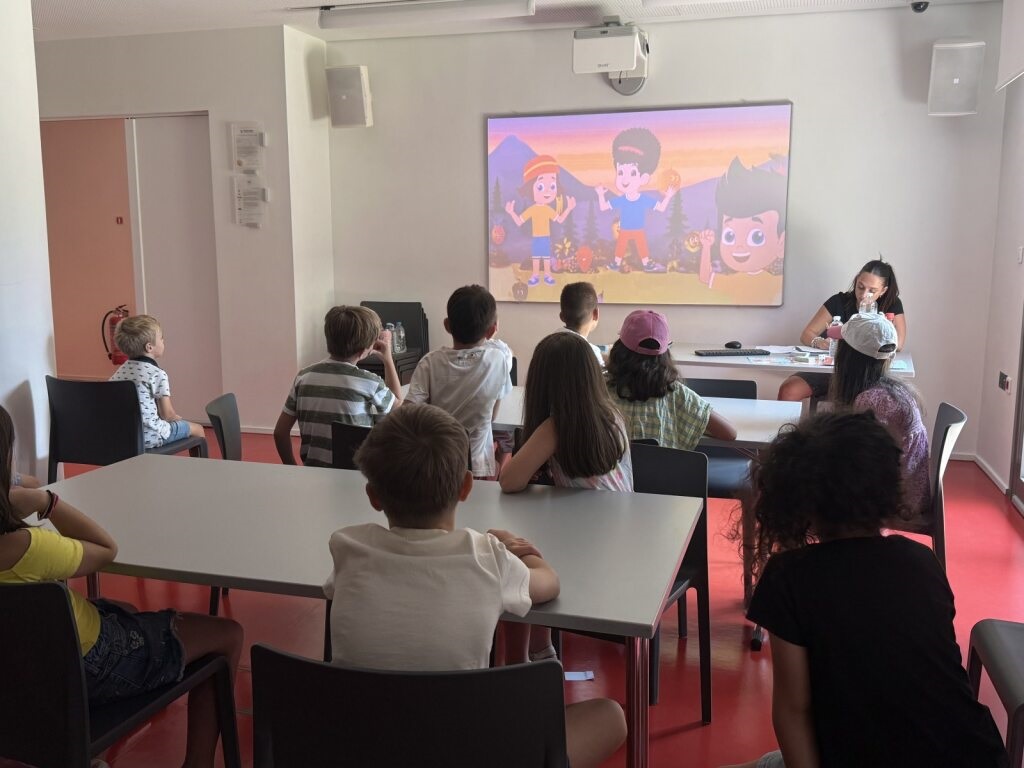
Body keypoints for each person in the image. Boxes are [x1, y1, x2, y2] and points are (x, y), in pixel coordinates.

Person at [323, 404, 627, 768]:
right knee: (610, 716)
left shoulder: (348, 549)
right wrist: (516, 548)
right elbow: (550, 584)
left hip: (359, 748)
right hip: (469, 751)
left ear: (373, 495)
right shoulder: (487, 556)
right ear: (466, 486)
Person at [723, 411, 1007, 768]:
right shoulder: (922, 561)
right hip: (976, 755)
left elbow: (793, 712)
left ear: (801, 497)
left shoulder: (788, 577)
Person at [0, 405, 243, 768]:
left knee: (123, 610)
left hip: (18, 678)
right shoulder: (27, 549)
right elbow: (105, 550)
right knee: (228, 633)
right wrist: (46, 502)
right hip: (84, 669)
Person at [500, 331, 633, 493]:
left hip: (582, 509)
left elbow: (508, 482)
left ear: (540, 382)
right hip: (622, 506)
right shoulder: (612, 414)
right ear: (591, 375)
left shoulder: (555, 428)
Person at [404, 285, 512, 479]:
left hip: (436, 464)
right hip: (476, 467)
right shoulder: (498, 360)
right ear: (492, 330)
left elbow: (407, 413)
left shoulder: (430, 362)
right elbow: (493, 416)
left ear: (447, 325)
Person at [274, 305, 401, 468]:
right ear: (363, 351)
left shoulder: (303, 377)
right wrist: (388, 359)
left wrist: (291, 466)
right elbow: (398, 407)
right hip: (354, 473)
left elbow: (280, 433)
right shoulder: (369, 382)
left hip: (312, 472)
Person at [830, 312, 930, 515]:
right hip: (904, 493)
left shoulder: (873, 401)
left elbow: (864, 466)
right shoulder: (892, 390)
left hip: (895, 505)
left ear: (849, 356)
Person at [777, 259, 905, 402]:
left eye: (872, 291)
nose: (864, 295)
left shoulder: (891, 305)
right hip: (833, 370)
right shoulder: (839, 301)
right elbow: (806, 334)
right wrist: (820, 342)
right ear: (856, 281)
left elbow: (898, 344)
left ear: (883, 290)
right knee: (789, 390)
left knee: (869, 397)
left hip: (870, 373)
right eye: (860, 287)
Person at [606, 310, 737, 449]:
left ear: (618, 350)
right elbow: (730, 433)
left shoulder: (599, 390)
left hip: (612, 464)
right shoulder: (678, 395)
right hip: (661, 464)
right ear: (665, 354)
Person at [109, 315, 205, 448]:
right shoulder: (156, 374)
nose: (163, 340)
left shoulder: (118, 374)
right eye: (161, 338)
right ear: (149, 347)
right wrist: (179, 420)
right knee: (198, 429)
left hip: (123, 437)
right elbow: (167, 415)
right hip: (151, 436)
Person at [596, 127, 676, 273]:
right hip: (625, 229)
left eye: (632, 173)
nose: (625, 179)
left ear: (644, 178)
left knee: (642, 246)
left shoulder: (643, 199)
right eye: (621, 172)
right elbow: (603, 207)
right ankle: (616, 263)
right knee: (621, 246)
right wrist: (600, 194)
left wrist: (668, 197)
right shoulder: (622, 199)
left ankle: (646, 263)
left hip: (638, 230)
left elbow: (660, 208)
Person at [698, 157, 788, 289]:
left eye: (757, 237)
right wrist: (706, 247)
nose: (739, 246)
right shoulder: (732, 282)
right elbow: (705, 278)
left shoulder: (775, 286)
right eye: (729, 236)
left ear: (781, 243)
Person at [505, 154, 577, 287]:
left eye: (552, 186)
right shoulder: (532, 209)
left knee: (547, 257)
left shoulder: (548, 210)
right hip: (536, 238)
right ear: (530, 188)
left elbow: (560, 219)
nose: (548, 192)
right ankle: (535, 275)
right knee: (536, 258)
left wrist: (569, 208)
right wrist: (511, 212)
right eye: (540, 187)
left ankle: (548, 275)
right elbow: (519, 221)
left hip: (546, 238)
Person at [556, 281, 604, 366]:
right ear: (596, 314)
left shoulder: (545, 345)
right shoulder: (592, 352)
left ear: (561, 316)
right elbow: (601, 374)